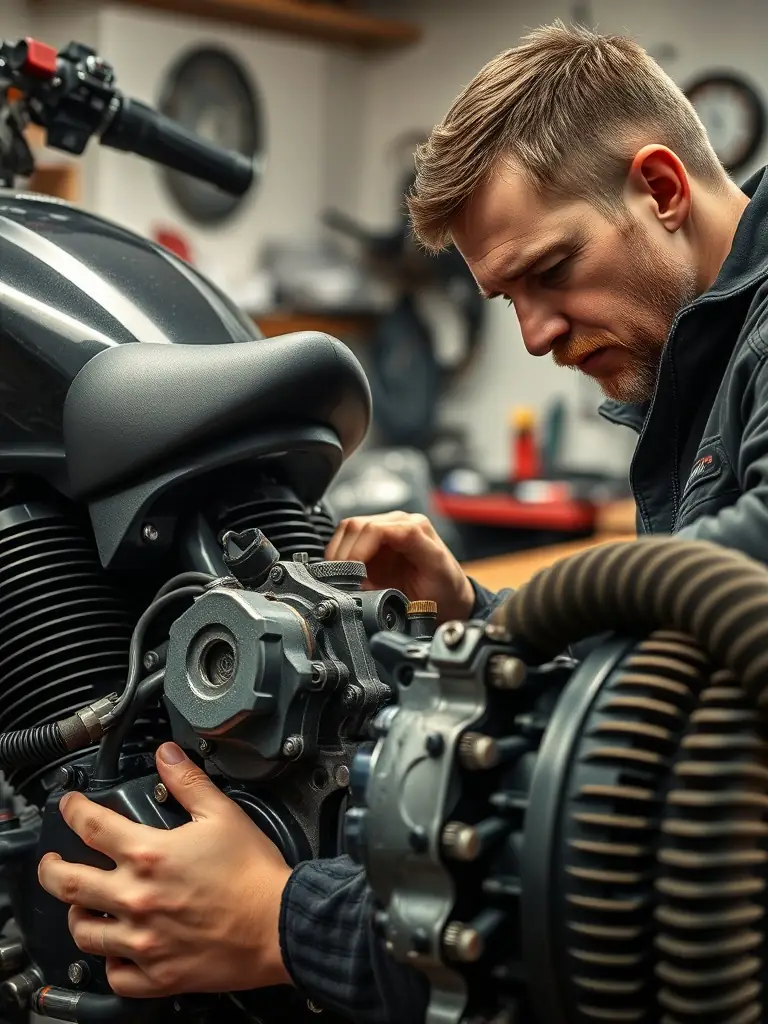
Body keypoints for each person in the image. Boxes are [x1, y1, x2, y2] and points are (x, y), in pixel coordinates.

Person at [38, 19, 768, 1024]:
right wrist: (475, 609)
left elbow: (678, 710)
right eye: (506, 297)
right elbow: (690, 662)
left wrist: (283, 920)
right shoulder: (701, 368)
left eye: (550, 269)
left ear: (661, 187)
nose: (536, 335)